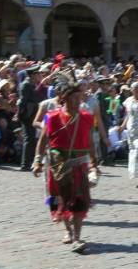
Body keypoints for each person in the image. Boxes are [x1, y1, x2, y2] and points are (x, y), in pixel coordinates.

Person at [32, 72, 98, 253]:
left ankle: (77, 237)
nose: (78, 101)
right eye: (74, 98)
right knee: (60, 201)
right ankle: (67, 230)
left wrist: (94, 164)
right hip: (58, 165)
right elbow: (43, 141)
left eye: (80, 97)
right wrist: (37, 160)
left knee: (79, 201)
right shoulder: (52, 117)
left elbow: (90, 143)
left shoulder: (86, 117)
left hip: (79, 164)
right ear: (64, 98)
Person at [17, 63, 43, 171]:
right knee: (29, 139)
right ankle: (25, 164)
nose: (39, 76)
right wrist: (19, 114)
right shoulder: (26, 85)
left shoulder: (30, 84)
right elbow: (23, 102)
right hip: (28, 115)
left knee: (32, 139)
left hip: (32, 113)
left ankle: (29, 162)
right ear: (32, 75)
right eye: (38, 74)